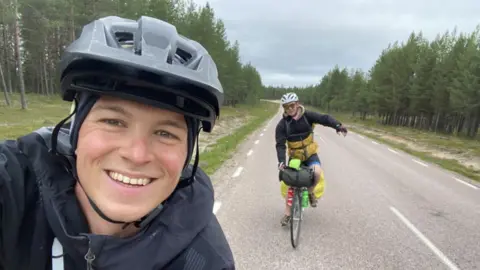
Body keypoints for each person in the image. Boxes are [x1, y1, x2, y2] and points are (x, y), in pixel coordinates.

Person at [0, 16, 235, 270]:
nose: (136, 154)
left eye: (165, 134)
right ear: (75, 129)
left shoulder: (204, 260)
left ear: (188, 152)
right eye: (114, 122)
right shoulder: (14, 189)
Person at [275, 92, 347, 226]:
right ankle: (287, 214)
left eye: (291, 106)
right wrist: (281, 162)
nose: (289, 109)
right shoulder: (282, 125)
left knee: (317, 172)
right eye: (286, 107)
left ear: (297, 104)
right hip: (295, 157)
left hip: (310, 154)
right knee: (291, 183)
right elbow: (280, 145)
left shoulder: (307, 116)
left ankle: (310, 192)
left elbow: (324, 118)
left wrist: (337, 125)